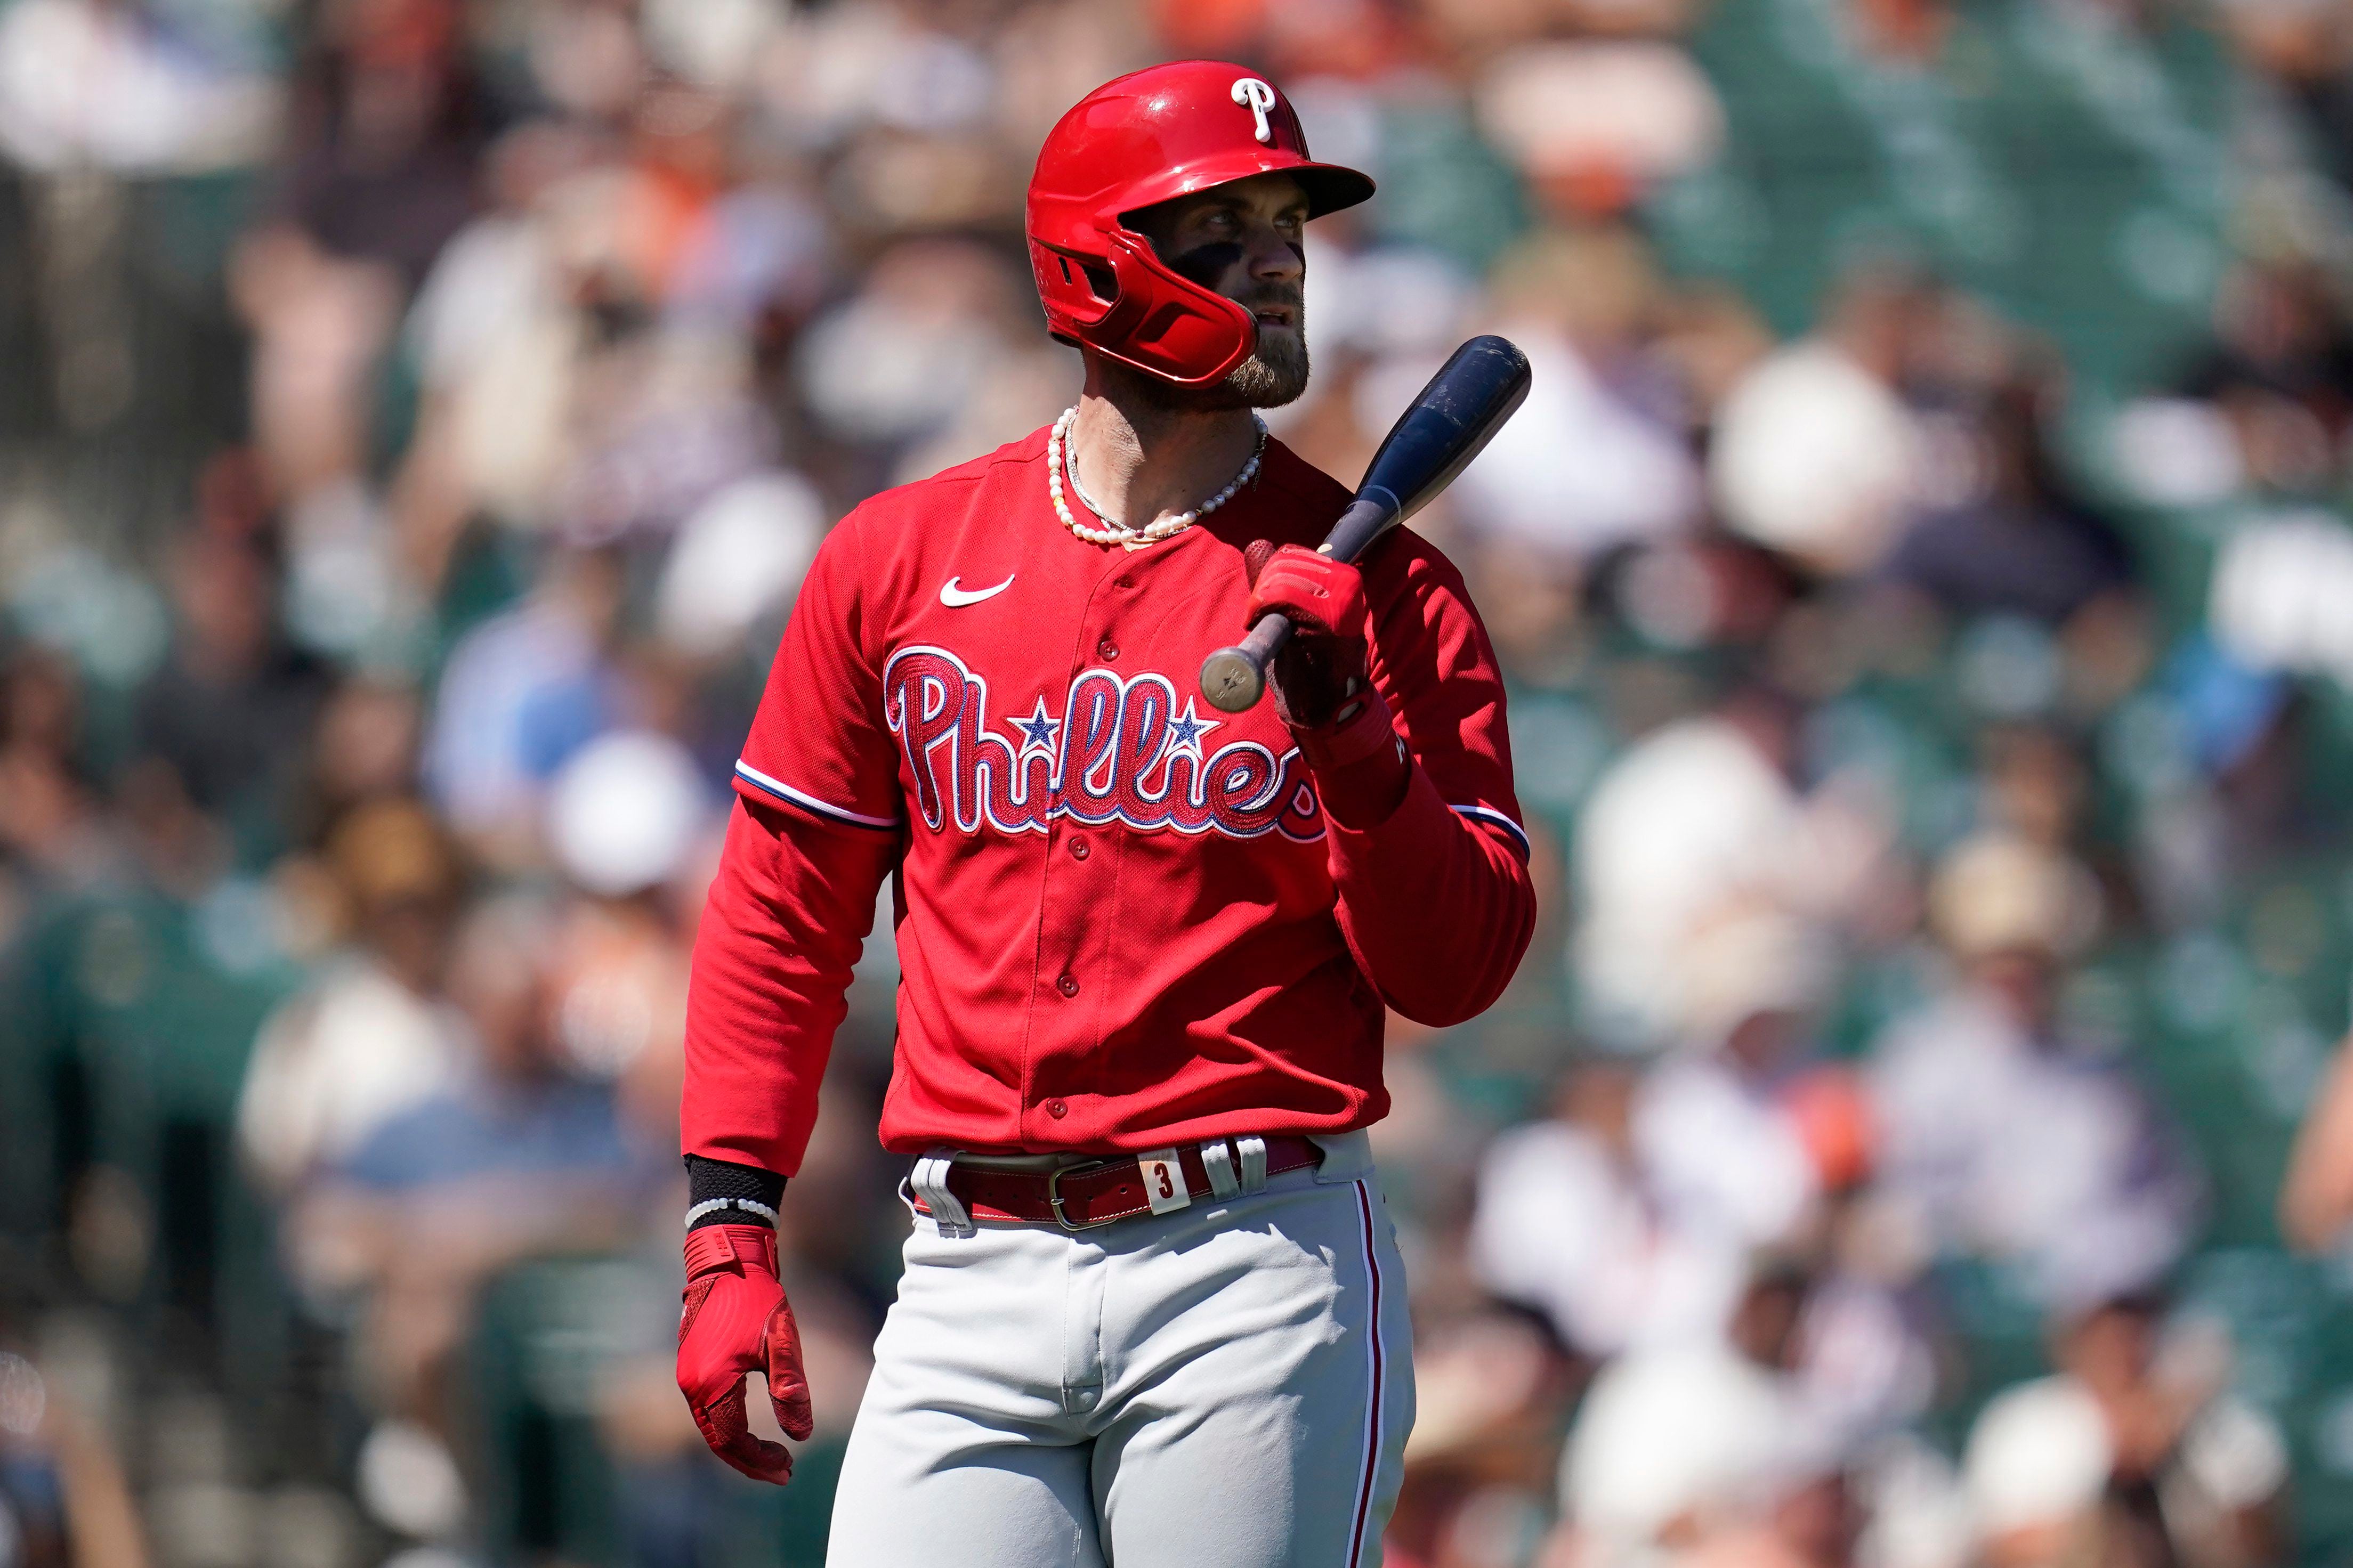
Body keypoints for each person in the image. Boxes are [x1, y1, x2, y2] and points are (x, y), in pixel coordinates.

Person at [670, 61, 1536, 1565]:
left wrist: (1351, 735)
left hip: (1249, 1257)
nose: (1278, 257)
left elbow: (1455, 973)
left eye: (1290, 225)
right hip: (963, 1266)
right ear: (1097, 255)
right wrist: (730, 1219)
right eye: (1226, 223)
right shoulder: (898, 557)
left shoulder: (1391, 596)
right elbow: (781, 907)